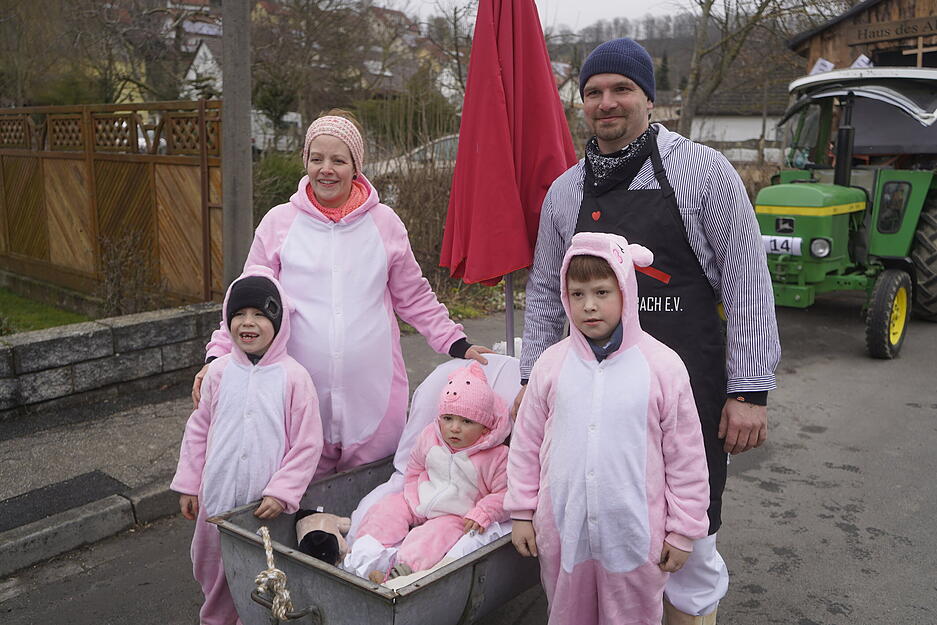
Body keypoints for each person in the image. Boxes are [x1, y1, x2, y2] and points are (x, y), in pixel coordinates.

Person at [515, 38, 781, 624]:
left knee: (690, 537)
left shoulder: (702, 173)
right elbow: (542, 293)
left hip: (690, 386)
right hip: (593, 395)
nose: (606, 103)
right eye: (593, 93)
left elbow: (747, 282)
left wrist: (749, 390)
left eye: (621, 90)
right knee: (604, 521)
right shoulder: (566, 192)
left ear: (649, 99)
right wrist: (532, 374)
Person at [192, 109, 492, 478]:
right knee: (302, 502)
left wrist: (457, 343)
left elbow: (414, 296)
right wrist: (216, 355)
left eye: (338, 160)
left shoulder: (385, 224)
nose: (326, 169)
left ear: (356, 166)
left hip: (375, 393)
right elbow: (245, 300)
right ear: (305, 162)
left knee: (369, 501)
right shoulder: (279, 223)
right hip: (298, 393)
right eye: (316, 159)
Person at [507, 232, 710, 625]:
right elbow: (527, 444)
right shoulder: (550, 365)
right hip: (564, 536)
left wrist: (683, 531)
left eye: (602, 292)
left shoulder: (663, 367)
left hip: (634, 540)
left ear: (626, 291)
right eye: (578, 294)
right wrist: (520, 511)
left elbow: (687, 458)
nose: (589, 306)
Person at [171, 267, 323, 625]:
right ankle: (216, 619)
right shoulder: (219, 373)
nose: (247, 323)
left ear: (279, 321)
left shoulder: (294, 377)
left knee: (257, 573)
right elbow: (198, 430)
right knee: (209, 566)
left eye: (259, 314)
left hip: (262, 508)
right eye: (238, 314)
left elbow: (307, 443)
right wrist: (190, 484)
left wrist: (282, 491)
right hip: (216, 497)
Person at [352, 362, 511, 581]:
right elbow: (415, 465)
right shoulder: (430, 436)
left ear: (484, 427)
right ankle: (363, 554)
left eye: (466, 421)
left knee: (432, 537)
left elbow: (505, 494)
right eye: (448, 419)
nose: (454, 428)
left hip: (456, 513)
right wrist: (411, 491)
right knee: (386, 510)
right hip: (420, 497)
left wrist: (484, 511)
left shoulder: (496, 456)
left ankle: (400, 573)